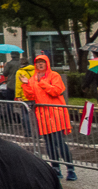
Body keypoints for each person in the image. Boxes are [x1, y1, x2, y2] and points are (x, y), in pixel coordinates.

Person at [23, 53, 76, 181]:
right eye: (37, 62)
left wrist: (42, 83)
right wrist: (25, 84)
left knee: (58, 141)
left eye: (42, 62)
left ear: (47, 63)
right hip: (42, 115)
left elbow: (57, 91)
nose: (40, 64)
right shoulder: (33, 78)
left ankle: (70, 169)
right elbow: (30, 96)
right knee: (49, 143)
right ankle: (55, 168)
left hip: (55, 113)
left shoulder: (54, 76)